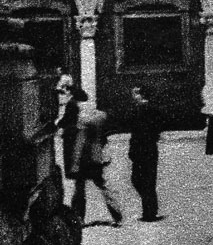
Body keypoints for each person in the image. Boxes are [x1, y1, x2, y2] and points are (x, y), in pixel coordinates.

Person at [71, 91, 122, 226]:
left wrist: (75, 162)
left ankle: (78, 217)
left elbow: (80, 142)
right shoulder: (100, 116)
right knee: (102, 184)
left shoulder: (81, 118)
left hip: (84, 158)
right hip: (96, 156)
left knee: (79, 188)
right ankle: (117, 213)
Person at [127, 86, 162, 223]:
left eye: (135, 93)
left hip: (140, 149)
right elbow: (160, 126)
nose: (133, 96)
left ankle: (149, 211)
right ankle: (150, 210)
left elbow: (135, 133)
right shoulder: (154, 109)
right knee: (149, 180)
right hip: (151, 148)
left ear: (141, 95)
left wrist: (132, 149)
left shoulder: (137, 111)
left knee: (137, 179)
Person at [54, 82, 81, 195]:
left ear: (69, 92)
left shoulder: (71, 103)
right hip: (73, 131)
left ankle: (71, 174)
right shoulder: (73, 102)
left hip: (70, 132)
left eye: (64, 91)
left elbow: (66, 119)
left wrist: (58, 124)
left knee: (69, 152)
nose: (62, 94)